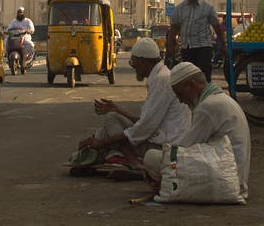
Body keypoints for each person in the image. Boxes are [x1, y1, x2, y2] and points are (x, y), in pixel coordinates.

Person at [78, 37, 190, 170]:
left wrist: (102, 142)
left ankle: (133, 161)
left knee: (108, 129)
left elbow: (144, 127)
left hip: (163, 145)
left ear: (143, 62)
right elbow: (146, 121)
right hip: (161, 136)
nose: (134, 67)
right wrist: (116, 109)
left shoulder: (161, 80)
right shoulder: (161, 76)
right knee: (112, 121)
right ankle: (120, 154)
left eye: (134, 63)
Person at [144, 61, 251, 200]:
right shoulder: (221, 98)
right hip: (235, 174)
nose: (180, 101)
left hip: (227, 176)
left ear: (191, 85)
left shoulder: (207, 107)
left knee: (151, 157)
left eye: (179, 94)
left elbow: (184, 147)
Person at [166, 0, 225, 82]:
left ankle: (205, 97)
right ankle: (191, 97)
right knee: (189, 76)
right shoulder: (180, 8)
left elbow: (217, 27)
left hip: (203, 47)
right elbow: (174, 28)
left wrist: (223, 45)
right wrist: (170, 45)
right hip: (187, 48)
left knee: (203, 76)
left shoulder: (207, 8)